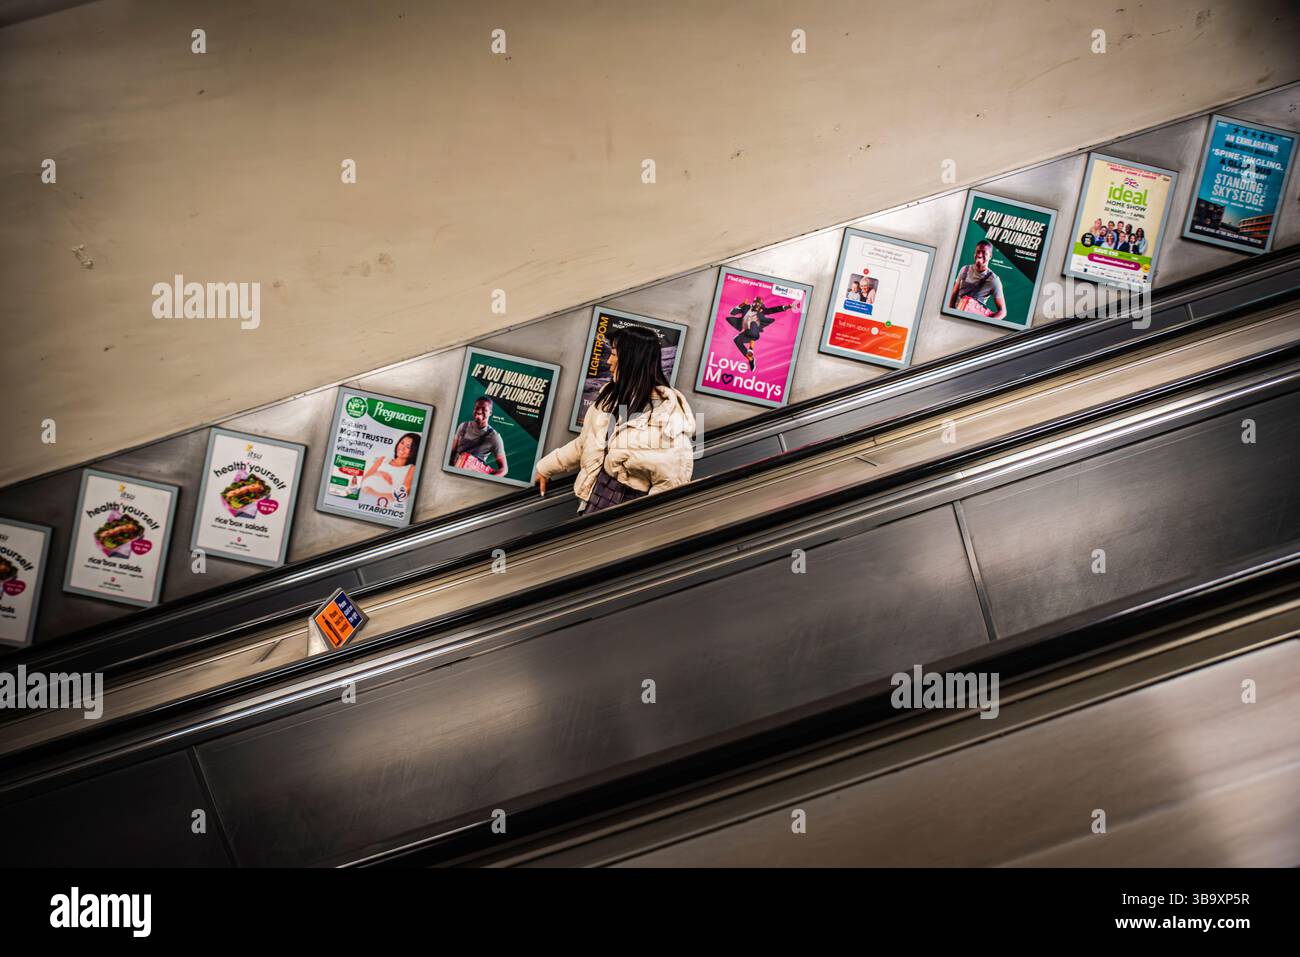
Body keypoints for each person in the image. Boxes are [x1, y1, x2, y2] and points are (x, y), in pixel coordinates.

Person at [533, 325, 695, 514]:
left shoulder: (666, 416)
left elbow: (671, 484)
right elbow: (586, 442)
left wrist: (641, 523)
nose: (609, 361)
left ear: (631, 360)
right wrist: (546, 468)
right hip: (592, 503)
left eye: (614, 354)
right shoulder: (610, 397)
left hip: (625, 517)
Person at [725, 294, 794, 371]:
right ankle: (751, 359)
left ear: (761, 306)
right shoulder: (746, 307)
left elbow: (773, 310)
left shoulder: (762, 310)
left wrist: (787, 307)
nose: (757, 307)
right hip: (746, 332)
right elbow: (732, 313)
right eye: (756, 305)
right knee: (736, 339)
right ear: (753, 303)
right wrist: (742, 304)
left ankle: (751, 349)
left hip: (754, 331)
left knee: (753, 323)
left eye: (759, 306)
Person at [948, 239, 1006, 320]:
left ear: (990, 256)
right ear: (974, 253)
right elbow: (953, 295)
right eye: (978, 252)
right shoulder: (964, 269)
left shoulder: (994, 280)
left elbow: (1002, 312)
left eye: (984, 253)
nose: (980, 255)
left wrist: (985, 322)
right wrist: (950, 314)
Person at [449, 397, 508, 476]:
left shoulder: (494, 437)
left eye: (484, 409)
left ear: (490, 413)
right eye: (477, 408)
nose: (479, 411)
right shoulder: (463, 426)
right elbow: (451, 452)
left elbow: (504, 469)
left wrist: (485, 480)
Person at [361, 432, 420, 505]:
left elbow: (402, 496)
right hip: (362, 497)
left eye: (408, 447)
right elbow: (362, 480)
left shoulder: (411, 469)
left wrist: (373, 493)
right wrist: (378, 473)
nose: (402, 448)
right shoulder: (383, 459)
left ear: (414, 451)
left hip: (380, 504)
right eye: (402, 443)